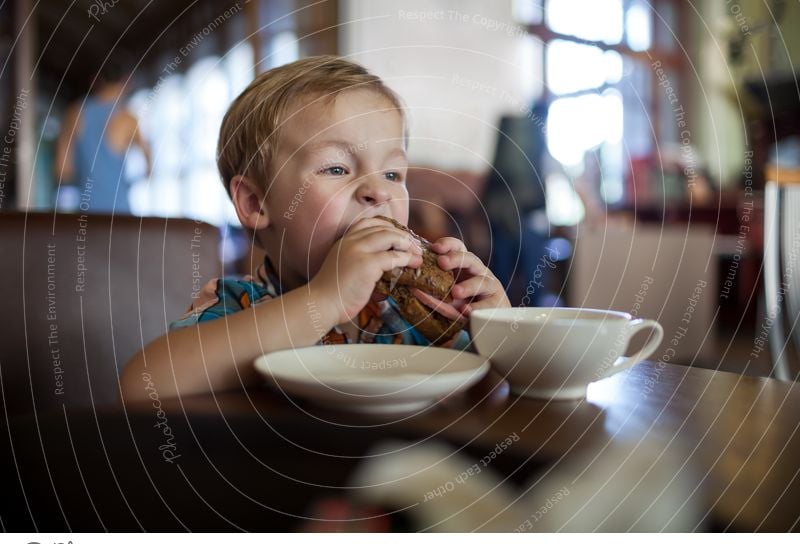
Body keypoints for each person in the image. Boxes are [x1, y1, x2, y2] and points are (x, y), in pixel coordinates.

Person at [120, 56, 510, 401]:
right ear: (256, 203)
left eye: (392, 172)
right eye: (337, 168)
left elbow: (485, 392)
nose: (377, 190)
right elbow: (141, 385)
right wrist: (325, 299)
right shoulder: (239, 306)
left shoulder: (410, 316)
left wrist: (497, 333)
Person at [483, 104, 603, 306]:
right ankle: (534, 318)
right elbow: (568, 178)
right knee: (534, 277)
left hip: (498, 217)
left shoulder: (511, 143)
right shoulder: (537, 148)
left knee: (502, 274)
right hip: (530, 220)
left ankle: (498, 317)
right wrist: (591, 209)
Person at [54, 59, 150, 213]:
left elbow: (62, 170)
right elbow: (149, 166)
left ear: (96, 80)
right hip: (120, 212)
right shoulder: (128, 119)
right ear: (127, 82)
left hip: (86, 213)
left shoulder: (75, 113)